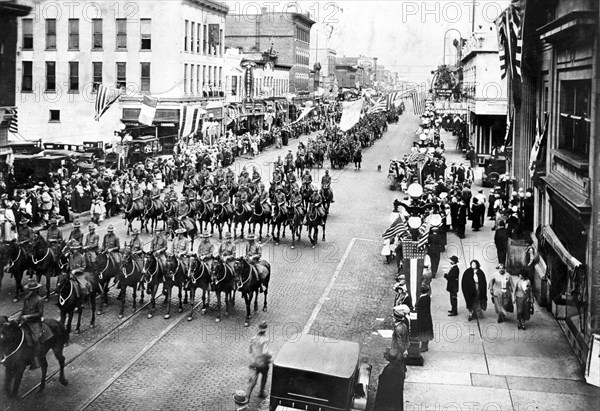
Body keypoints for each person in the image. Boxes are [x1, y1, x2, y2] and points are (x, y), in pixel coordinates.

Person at [18, 278, 50, 370]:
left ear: (36, 290)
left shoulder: (39, 300)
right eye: (29, 290)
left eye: (32, 290)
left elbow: (40, 313)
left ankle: (36, 360)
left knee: (35, 339)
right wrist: (18, 319)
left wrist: (28, 316)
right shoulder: (26, 298)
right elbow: (23, 310)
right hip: (25, 321)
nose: (30, 292)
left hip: (35, 323)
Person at [246, 321, 272, 399]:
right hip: (262, 364)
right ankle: (261, 392)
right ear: (265, 329)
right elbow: (265, 352)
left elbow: (250, 351)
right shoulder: (266, 339)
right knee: (264, 376)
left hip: (253, 362)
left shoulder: (253, 338)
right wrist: (271, 356)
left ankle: (246, 399)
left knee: (251, 382)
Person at [415, 285, 433, 352]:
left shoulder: (422, 299)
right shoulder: (427, 297)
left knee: (423, 332)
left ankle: (424, 347)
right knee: (426, 332)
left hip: (423, 318)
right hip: (426, 317)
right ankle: (425, 346)